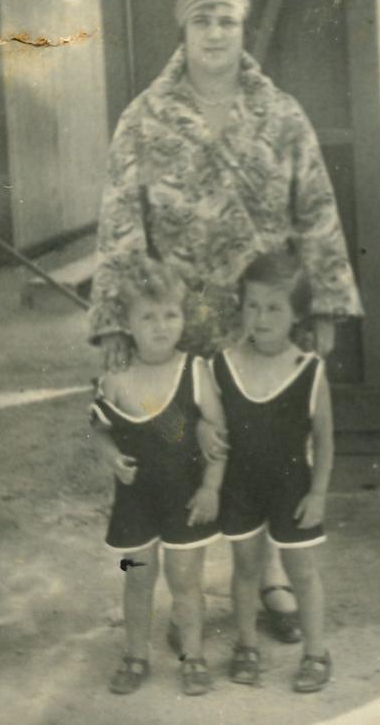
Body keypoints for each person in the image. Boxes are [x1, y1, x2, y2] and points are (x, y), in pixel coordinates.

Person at [89, 0, 363, 641]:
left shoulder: (281, 113)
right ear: (182, 28)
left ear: (242, 29)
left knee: (262, 447)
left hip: (259, 321)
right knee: (181, 449)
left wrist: (322, 305)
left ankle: (266, 578)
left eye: (227, 20)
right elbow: (120, 223)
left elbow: (316, 209)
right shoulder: (145, 118)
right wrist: (116, 328)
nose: (215, 33)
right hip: (172, 323)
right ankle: (186, 587)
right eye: (202, 19)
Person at [198, 250, 334, 692]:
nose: (260, 317)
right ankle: (246, 645)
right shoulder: (223, 365)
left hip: (291, 490)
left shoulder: (308, 369)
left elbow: (326, 440)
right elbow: (206, 417)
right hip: (241, 488)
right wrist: (202, 427)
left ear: (297, 314)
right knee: (246, 568)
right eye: (252, 305)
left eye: (274, 307)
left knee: (302, 571)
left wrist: (317, 494)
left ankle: (316, 652)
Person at [89, 256, 225, 697]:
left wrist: (210, 486)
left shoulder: (195, 370)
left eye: (171, 314)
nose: (161, 325)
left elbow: (219, 435)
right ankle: (135, 656)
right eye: (148, 316)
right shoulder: (116, 379)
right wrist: (111, 457)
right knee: (138, 577)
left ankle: (194, 657)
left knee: (185, 582)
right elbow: (100, 429)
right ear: (127, 323)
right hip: (136, 501)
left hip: (186, 498)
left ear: (184, 316)